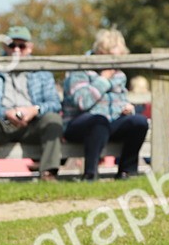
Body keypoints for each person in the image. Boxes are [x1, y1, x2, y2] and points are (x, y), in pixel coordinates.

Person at [0, 26, 64, 182]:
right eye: (12, 45)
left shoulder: (42, 72)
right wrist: (4, 112)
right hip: (1, 124)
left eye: (22, 46)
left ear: (30, 48)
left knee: (53, 119)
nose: (17, 50)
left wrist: (34, 110)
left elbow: (54, 102)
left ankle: (48, 174)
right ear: (5, 47)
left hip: (33, 125)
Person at [62, 29, 148, 180]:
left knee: (138, 122)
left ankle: (126, 172)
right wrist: (103, 80)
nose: (117, 63)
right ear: (101, 53)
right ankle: (90, 174)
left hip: (109, 122)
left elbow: (119, 100)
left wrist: (126, 108)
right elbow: (82, 102)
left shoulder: (119, 74)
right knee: (98, 121)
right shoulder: (79, 70)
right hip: (79, 124)